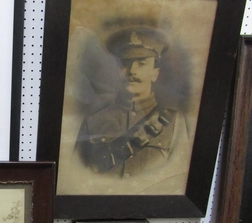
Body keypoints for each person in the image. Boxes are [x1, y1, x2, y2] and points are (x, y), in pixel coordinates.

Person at [74, 26, 190, 179]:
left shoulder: (174, 122)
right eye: (125, 63)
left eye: (141, 64)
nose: (132, 71)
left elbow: (178, 180)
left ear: (155, 74)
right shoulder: (94, 121)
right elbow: (76, 177)